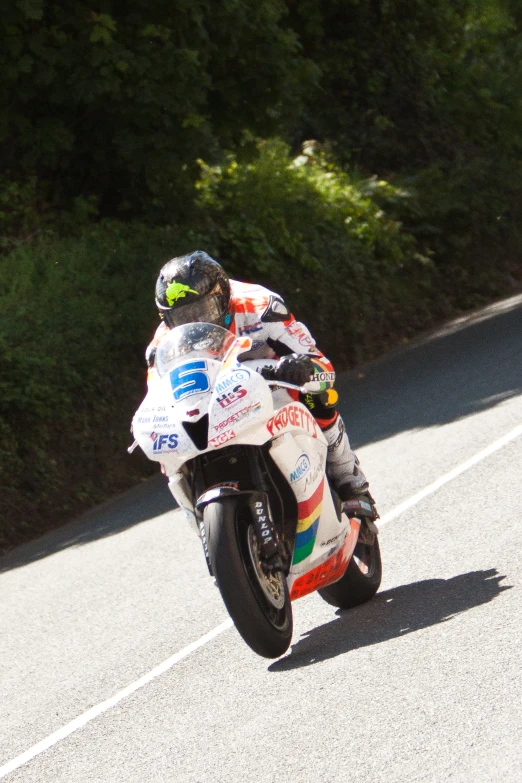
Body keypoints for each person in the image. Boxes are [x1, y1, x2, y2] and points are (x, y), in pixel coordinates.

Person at [146, 250, 379, 535]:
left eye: (202, 311)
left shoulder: (260, 306)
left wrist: (300, 367)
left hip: (274, 382)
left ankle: (352, 484)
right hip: (216, 399)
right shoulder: (163, 343)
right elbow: (158, 395)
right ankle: (202, 526)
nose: (194, 322)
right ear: (167, 318)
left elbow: (321, 364)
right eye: (182, 317)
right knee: (168, 446)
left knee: (318, 393)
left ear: (222, 297)